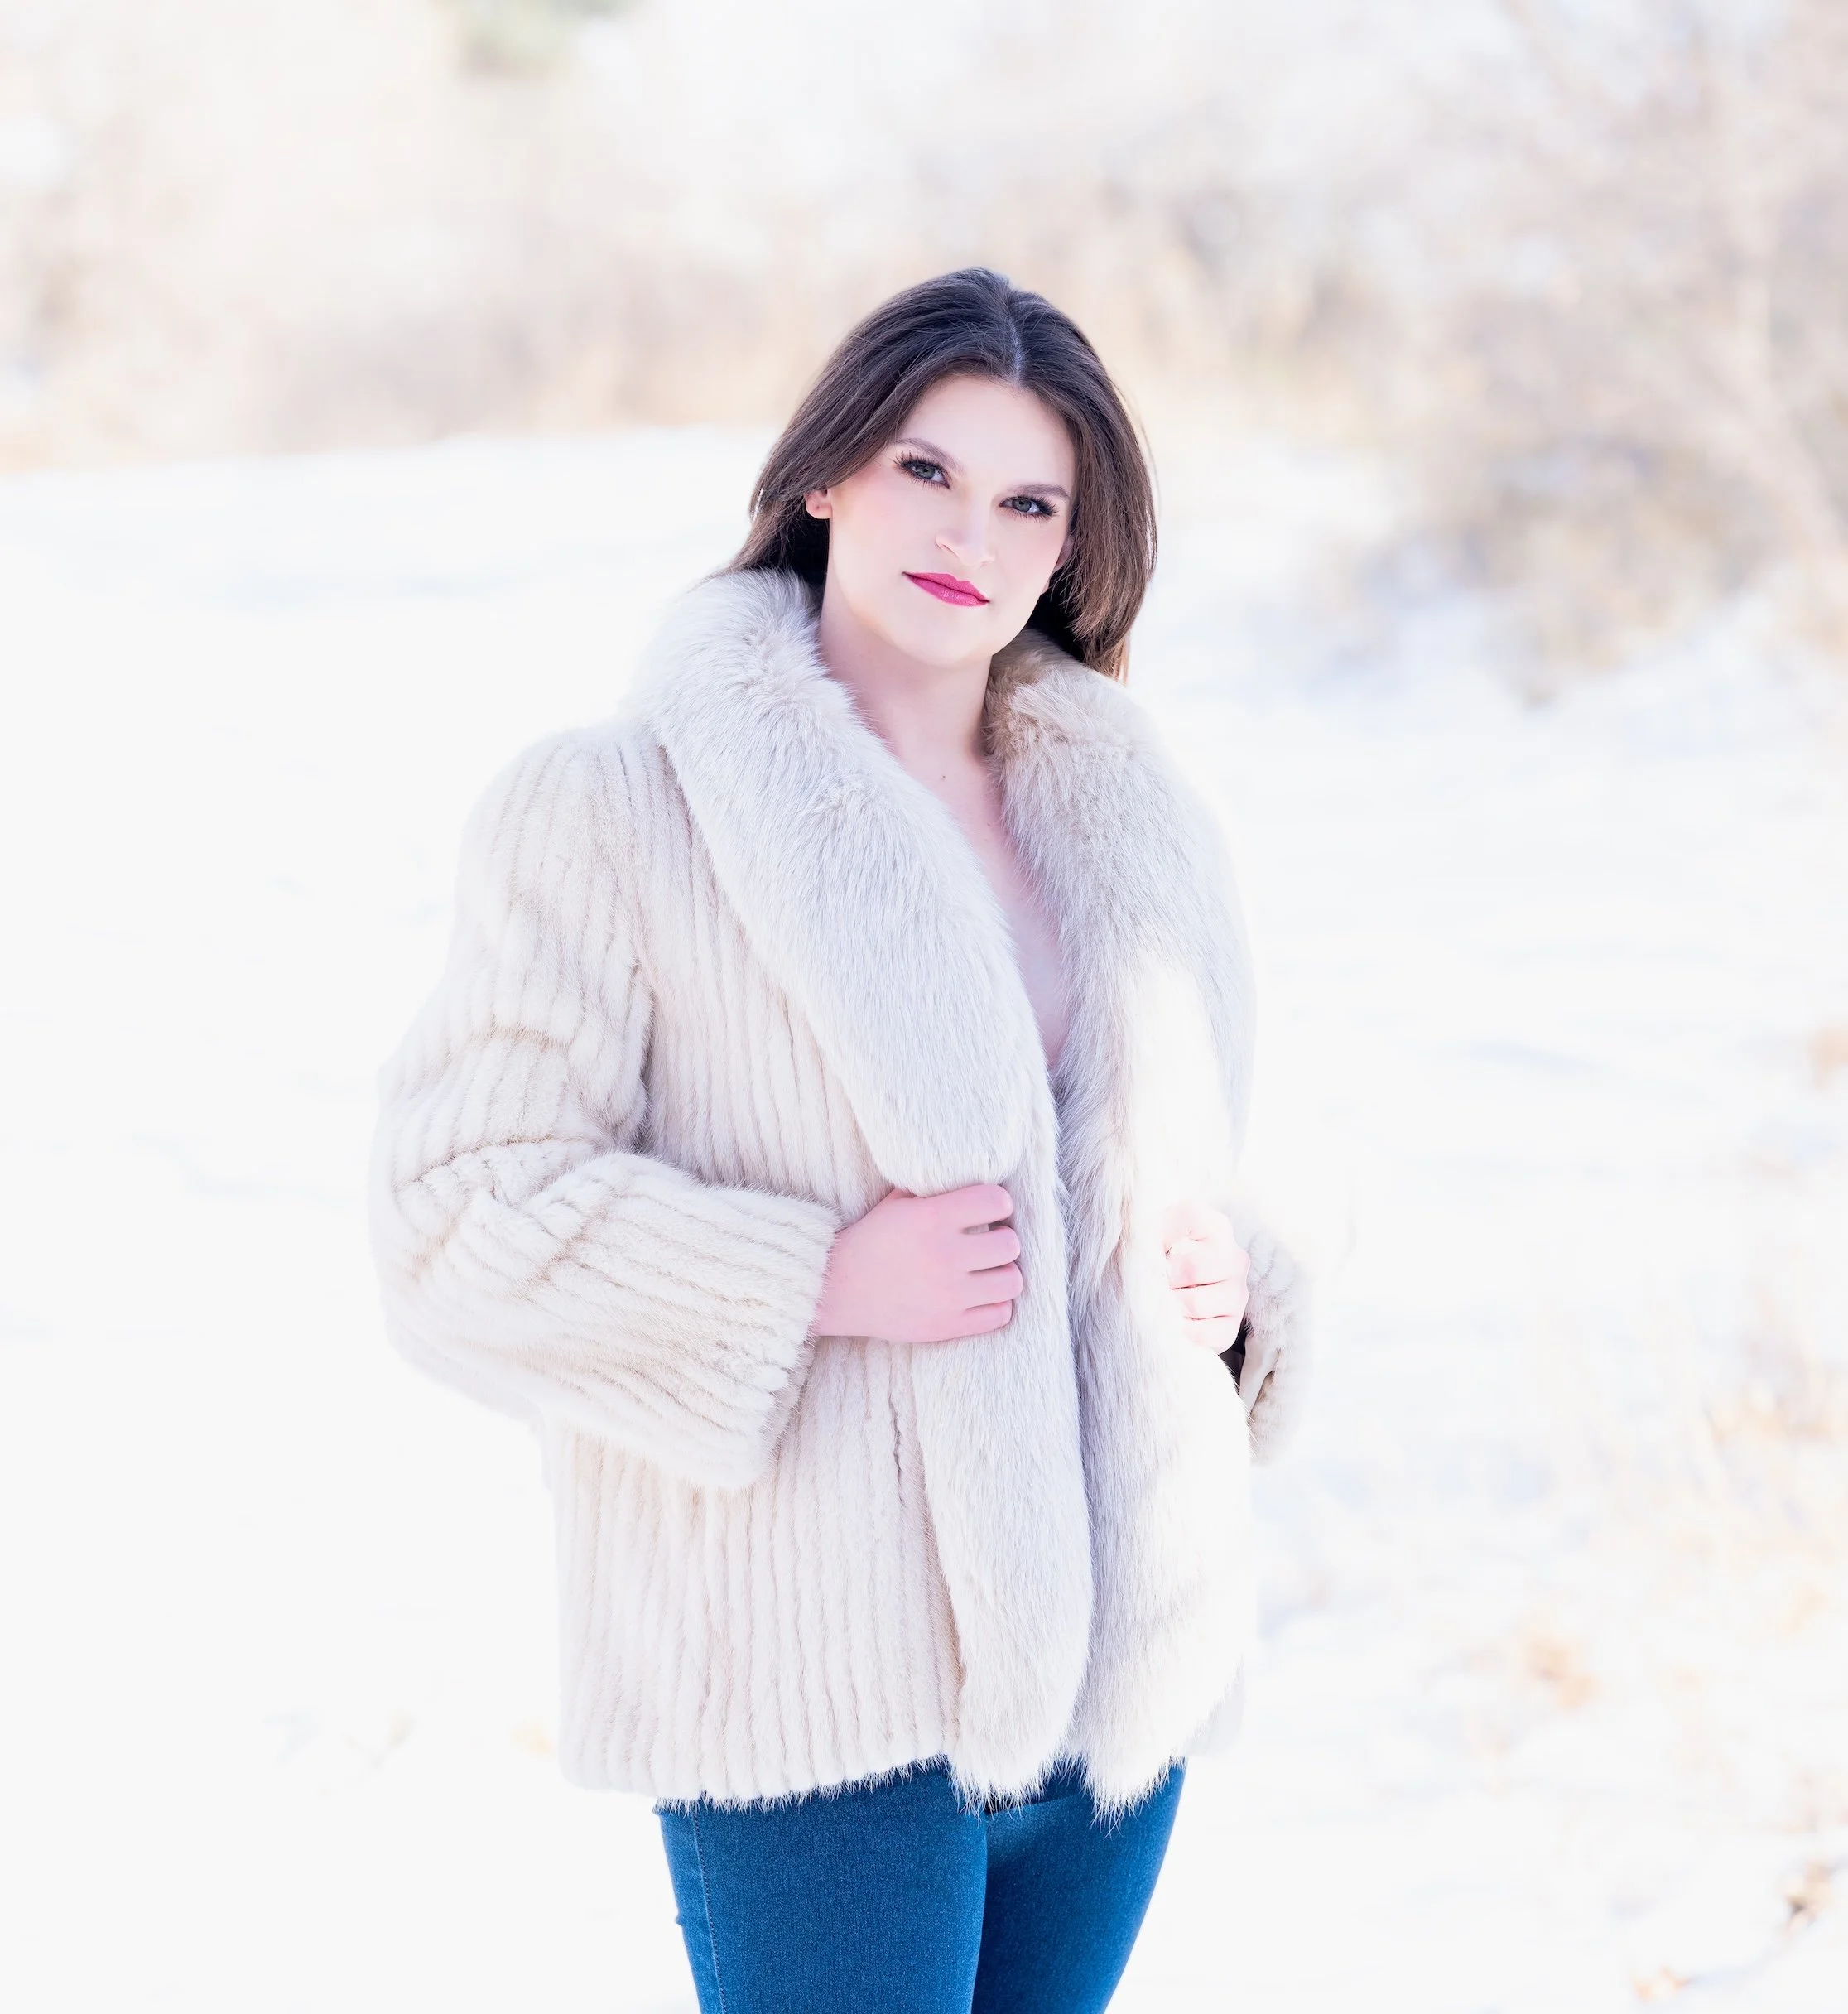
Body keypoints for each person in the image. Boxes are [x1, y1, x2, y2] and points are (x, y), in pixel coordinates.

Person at [369, 267, 1311, 2014]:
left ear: (1070, 552)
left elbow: (1157, 1184)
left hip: (1112, 1686)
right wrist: (814, 1275)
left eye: (1031, 502)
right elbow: (451, 1227)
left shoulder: (1147, 834)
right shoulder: (615, 807)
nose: (970, 532)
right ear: (824, 477)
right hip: (809, 1677)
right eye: (923, 471)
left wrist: (1239, 1297)